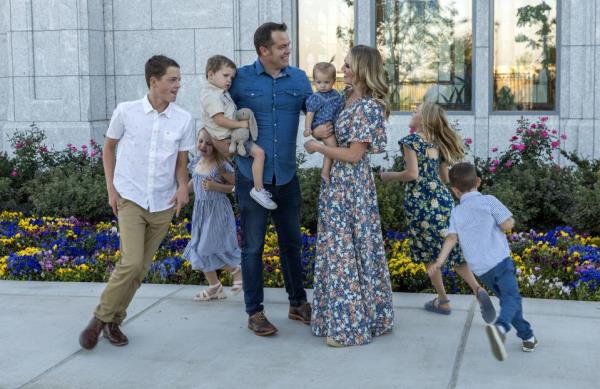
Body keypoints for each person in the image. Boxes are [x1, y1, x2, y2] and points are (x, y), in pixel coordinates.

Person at [219, 22, 331, 336]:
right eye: (282, 46)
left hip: (286, 176)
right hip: (249, 178)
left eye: (288, 45)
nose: (288, 50)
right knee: (252, 248)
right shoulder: (238, 79)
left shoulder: (298, 79)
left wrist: (322, 131)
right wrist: (227, 151)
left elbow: (316, 115)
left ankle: (297, 304)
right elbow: (213, 118)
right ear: (263, 50)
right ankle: (255, 312)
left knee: (291, 244)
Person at [79, 55, 195, 349]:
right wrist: (111, 190)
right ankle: (98, 320)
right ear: (153, 82)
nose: (178, 85)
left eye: (179, 80)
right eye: (173, 80)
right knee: (130, 262)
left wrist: (183, 188)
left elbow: (182, 163)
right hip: (130, 197)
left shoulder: (183, 119)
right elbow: (109, 149)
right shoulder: (126, 112)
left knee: (141, 269)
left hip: (163, 203)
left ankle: (114, 321)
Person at [304, 45, 394, 347]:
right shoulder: (343, 99)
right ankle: (351, 316)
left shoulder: (367, 106)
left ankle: (350, 327)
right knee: (340, 251)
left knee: (348, 252)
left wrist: (318, 149)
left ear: (362, 69)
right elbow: (323, 127)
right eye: (343, 65)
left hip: (352, 187)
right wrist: (317, 134)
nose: (342, 70)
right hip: (337, 186)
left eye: (348, 66)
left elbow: (355, 155)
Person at [380, 102, 495, 324]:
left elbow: (412, 174)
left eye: (415, 111)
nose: (412, 114)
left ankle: (443, 301)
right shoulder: (437, 144)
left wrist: (389, 176)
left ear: (423, 119)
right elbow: (444, 178)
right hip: (442, 201)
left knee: (428, 253)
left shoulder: (410, 141)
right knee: (452, 250)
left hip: (420, 204)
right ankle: (477, 289)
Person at [428, 162, 538, 361]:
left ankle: (527, 336)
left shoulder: (456, 212)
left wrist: (439, 261)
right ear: (478, 181)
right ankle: (501, 328)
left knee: (508, 299)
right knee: (511, 299)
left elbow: (451, 238)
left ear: (454, 190)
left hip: (482, 271)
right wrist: (510, 222)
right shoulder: (489, 201)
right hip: (500, 262)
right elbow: (506, 225)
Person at [200, 55, 276, 210]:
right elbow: (219, 119)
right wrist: (241, 124)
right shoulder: (211, 96)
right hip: (228, 139)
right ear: (210, 74)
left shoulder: (219, 92)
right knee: (259, 154)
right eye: (225, 75)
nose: (229, 80)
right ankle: (258, 189)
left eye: (232, 77)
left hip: (231, 136)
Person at [182, 128, 242, 301]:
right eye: (200, 141)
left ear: (216, 146)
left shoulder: (221, 165)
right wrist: (182, 194)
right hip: (201, 211)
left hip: (217, 211)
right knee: (200, 249)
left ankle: (235, 270)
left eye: (209, 143)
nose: (203, 146)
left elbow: (236, 186)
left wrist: (217, 187)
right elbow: (195, 180)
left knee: (204, 248)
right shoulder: (196, 162)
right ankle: (214, 287)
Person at [303, 62, 344, 182]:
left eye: (326, 82)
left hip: (333, 126)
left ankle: (328, 170)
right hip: (322, 126)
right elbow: (310, 113)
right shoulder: (315, 97)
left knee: (331, 148)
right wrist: (307, 128)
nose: (322, 86)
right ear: (314, 81)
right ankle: (325, 172)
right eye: (319, 82)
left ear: (333, 81)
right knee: (331, 147)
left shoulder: (336, 95)